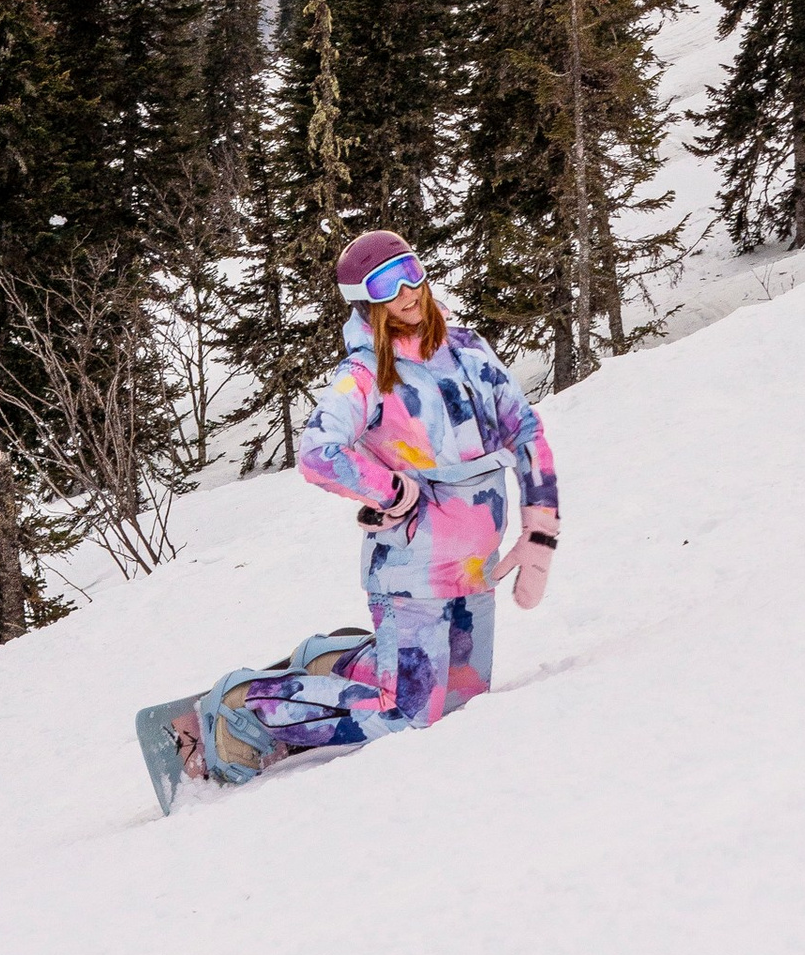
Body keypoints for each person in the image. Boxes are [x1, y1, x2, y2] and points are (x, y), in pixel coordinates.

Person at [162, 229, 560, 786]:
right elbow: (318, 452)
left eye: (412, 271)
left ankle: (341, 663)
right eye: (385, 283)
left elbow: (525, 429)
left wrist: (540, 529)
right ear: (364, 300)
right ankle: (235, 710)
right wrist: (392, 490)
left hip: (476, 561)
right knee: (407, 718)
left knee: (464, 707)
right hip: (412, 567)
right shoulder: (365, 375)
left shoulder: (468, 350)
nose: (407, 290)